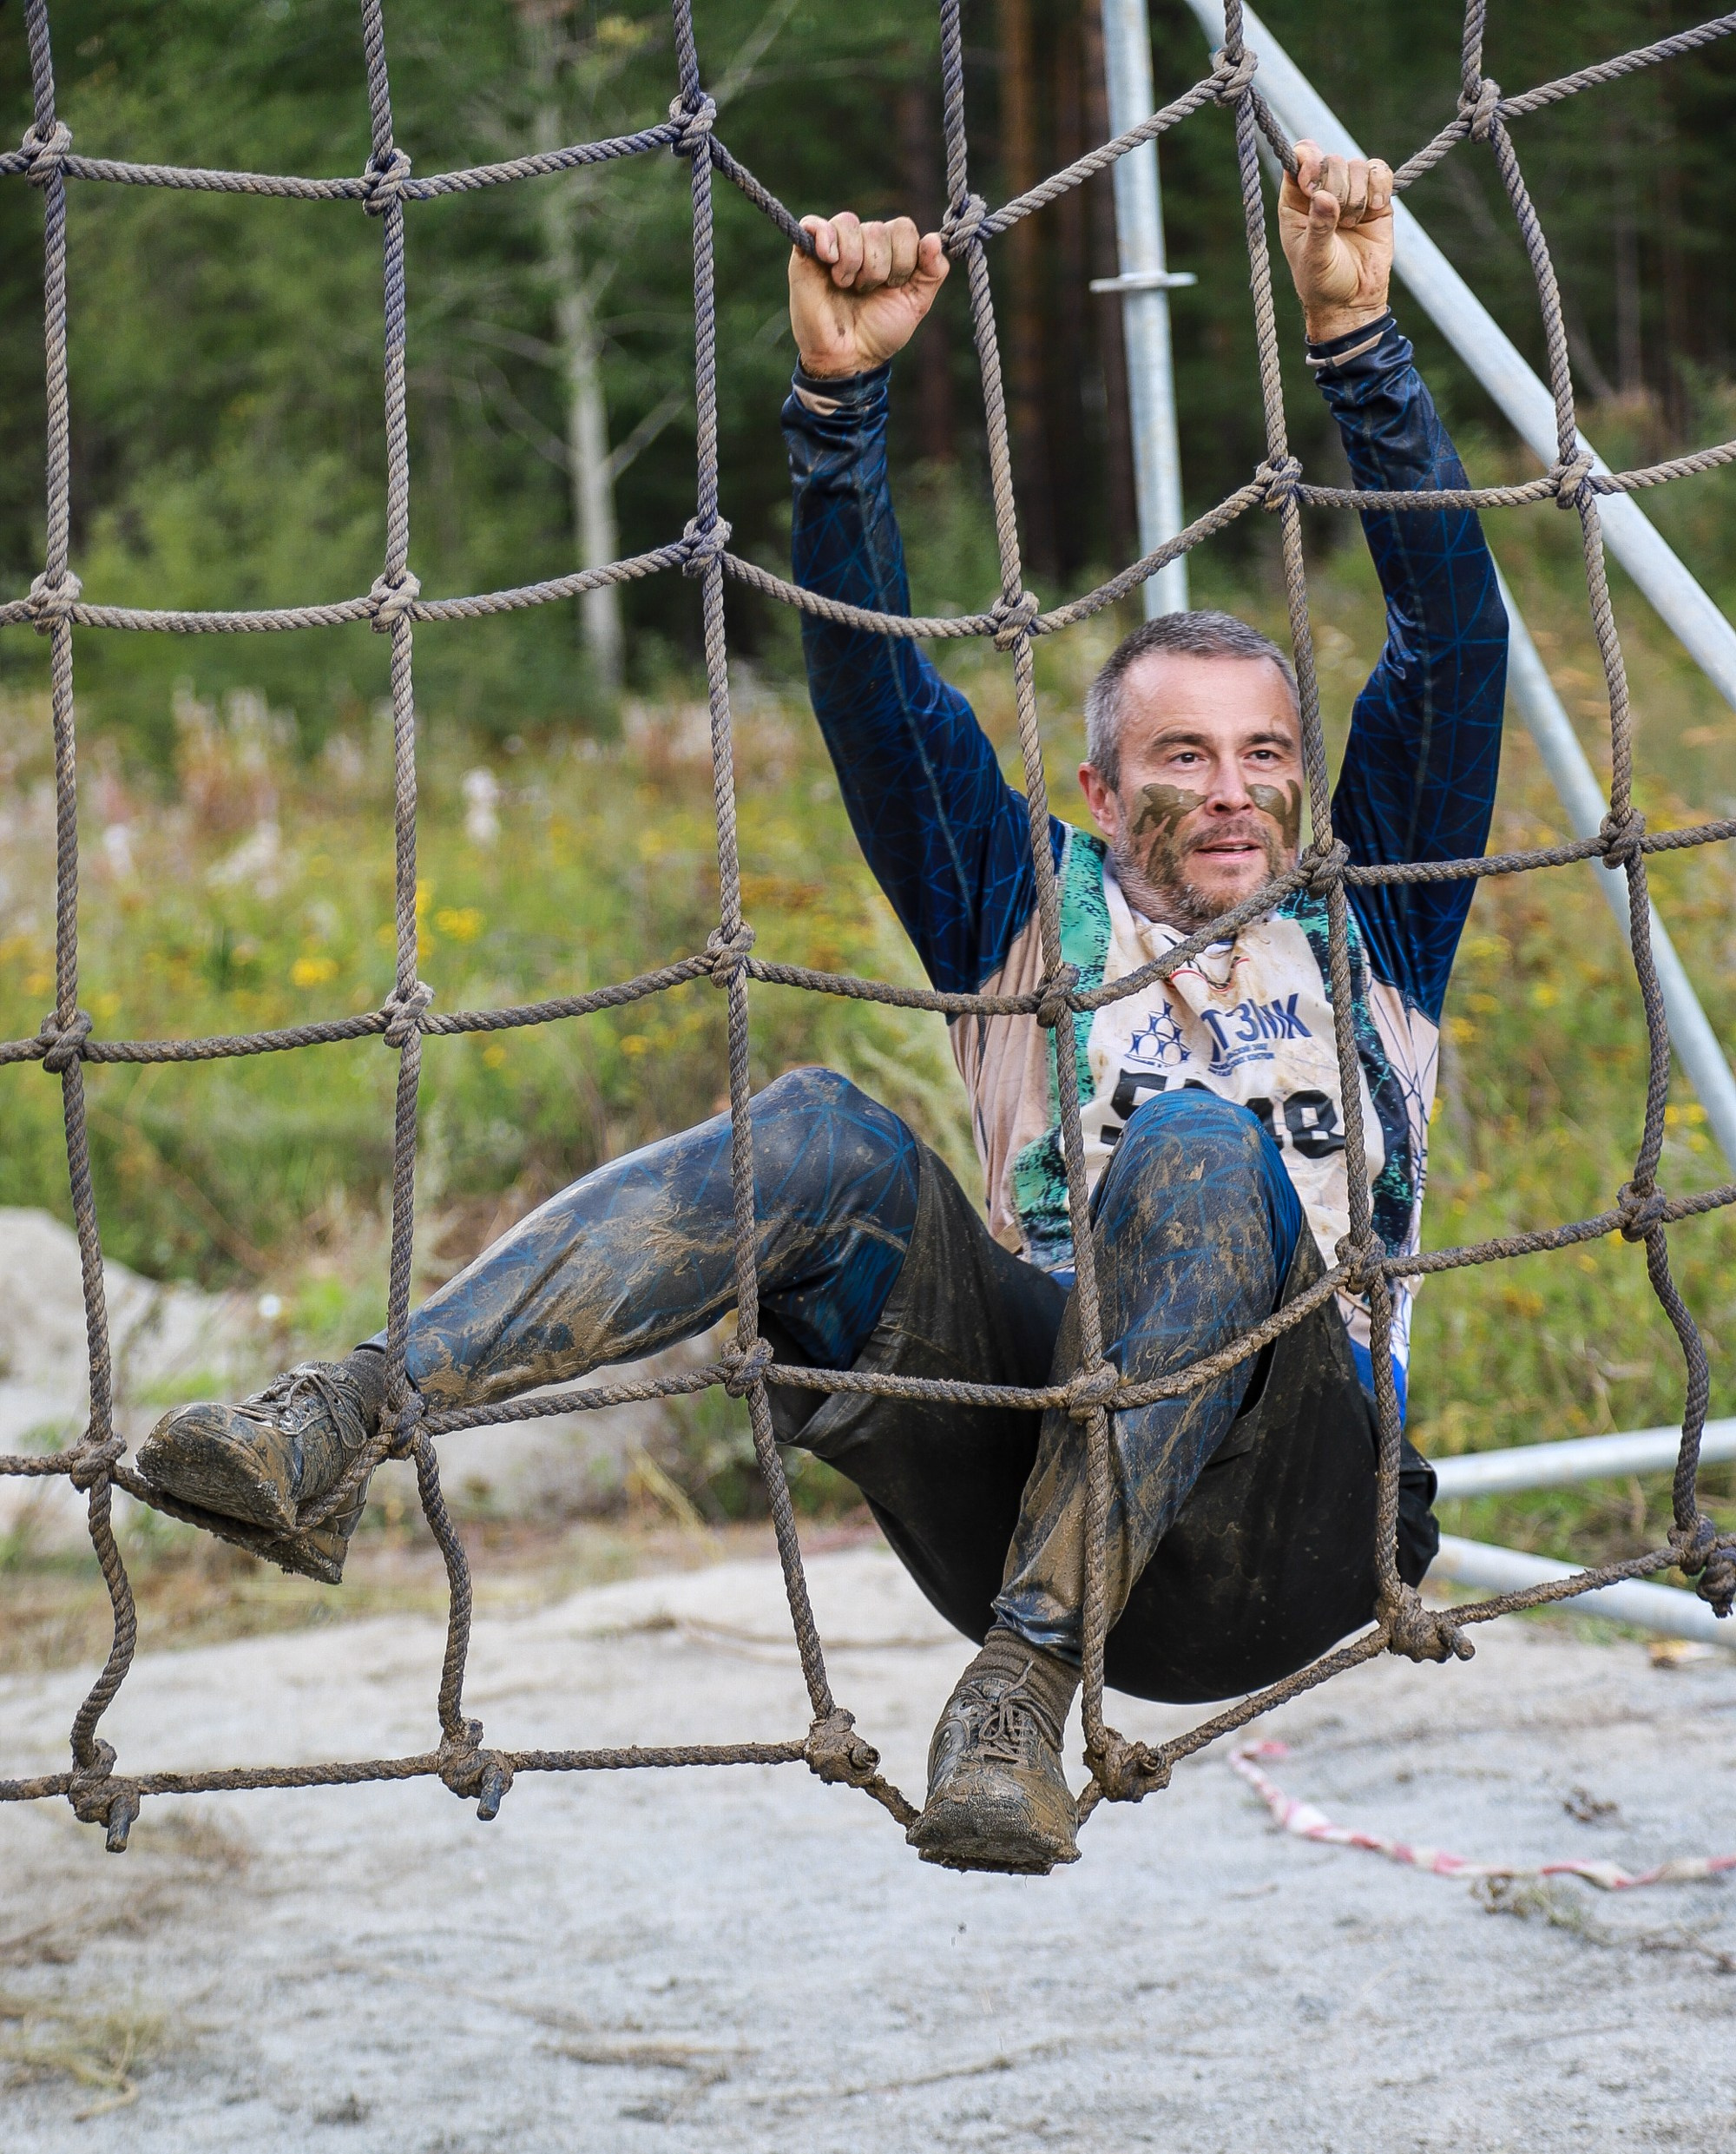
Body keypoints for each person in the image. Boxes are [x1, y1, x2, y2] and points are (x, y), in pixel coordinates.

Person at [140, 145, 1506, 1880]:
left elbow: (1455, 642)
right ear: (1097, 786)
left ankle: (1022, 1692)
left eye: (1263, 757)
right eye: (1183, 756)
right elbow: (868, 671)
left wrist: (1356, 345)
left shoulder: (1372, 914)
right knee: (822, 1133)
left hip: (1288, 1520)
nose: (1233, 792)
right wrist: (837, 409)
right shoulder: (1022, 912)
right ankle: (336, 1424)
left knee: (1189, 1151)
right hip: (1013, 1471)